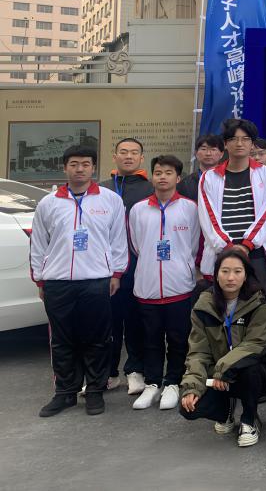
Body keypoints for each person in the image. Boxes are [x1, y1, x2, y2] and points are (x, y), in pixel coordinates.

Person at [33, 145, 129, 418]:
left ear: (93, 168)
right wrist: (40, 279)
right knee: (62, 340)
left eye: (85, 164)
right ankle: (65, 392)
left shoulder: (110, 200)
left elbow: (118, 240)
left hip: (96, 280)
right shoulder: (48, 203)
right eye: (74, 164)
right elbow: (38, 243)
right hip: (58, 281)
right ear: (65, 167)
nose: (79, 169)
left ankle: (95, 391)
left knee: (96, 339)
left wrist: (116, 273)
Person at [179, 248, 266, 447]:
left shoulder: (259, 303)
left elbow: (255, 344)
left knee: (252, 370)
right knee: (189, 407)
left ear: (246, 275)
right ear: (216, 274)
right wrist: (191, 387)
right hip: (216, 374)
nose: (231, 277)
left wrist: (224, 369)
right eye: (225, 271)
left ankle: (249, 419)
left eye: (237, 271)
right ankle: (225, 411)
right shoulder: (203, 306)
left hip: (246, 370)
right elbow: (198, 351)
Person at [128, 155, 200, 411]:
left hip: (179, 285)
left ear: (178, 178)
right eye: (158, 172)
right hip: (147, 285)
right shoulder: (138, 210)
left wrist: (182, 266)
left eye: (168, 173)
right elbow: (136, 245)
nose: (162, 177)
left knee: (179, 338)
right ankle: (152, 382)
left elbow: (193, 245)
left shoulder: (190, 208)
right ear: (152, 176)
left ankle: (173, 382)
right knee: (151, 338)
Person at [197, 118, 266, 291]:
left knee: (254, 303)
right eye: (233, 139)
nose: (239, 144)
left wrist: (247, 245)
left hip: (254, 253)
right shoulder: (209, 177)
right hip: (221, 252)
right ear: (225, 144)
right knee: (220, 304)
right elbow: (208, 217)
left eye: (245, 139)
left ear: (252, 144)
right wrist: (227, 246)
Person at [100, 137, 154, 395]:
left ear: (141, 158)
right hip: (105, 267)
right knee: (108, 321)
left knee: (135, 320)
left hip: (138, 266)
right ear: (115, 156)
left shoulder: (151, 189)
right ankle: (108, 372)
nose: (128, 156)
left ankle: (135, 370)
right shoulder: (101, 189)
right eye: (123, 152)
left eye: (134, 153)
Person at [178, 134, 225, 201]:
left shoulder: (228, 180)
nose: (208, 153)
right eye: (204, 149)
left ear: (221, 154)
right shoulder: (185, 184)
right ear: (196, 153)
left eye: (213, 149)